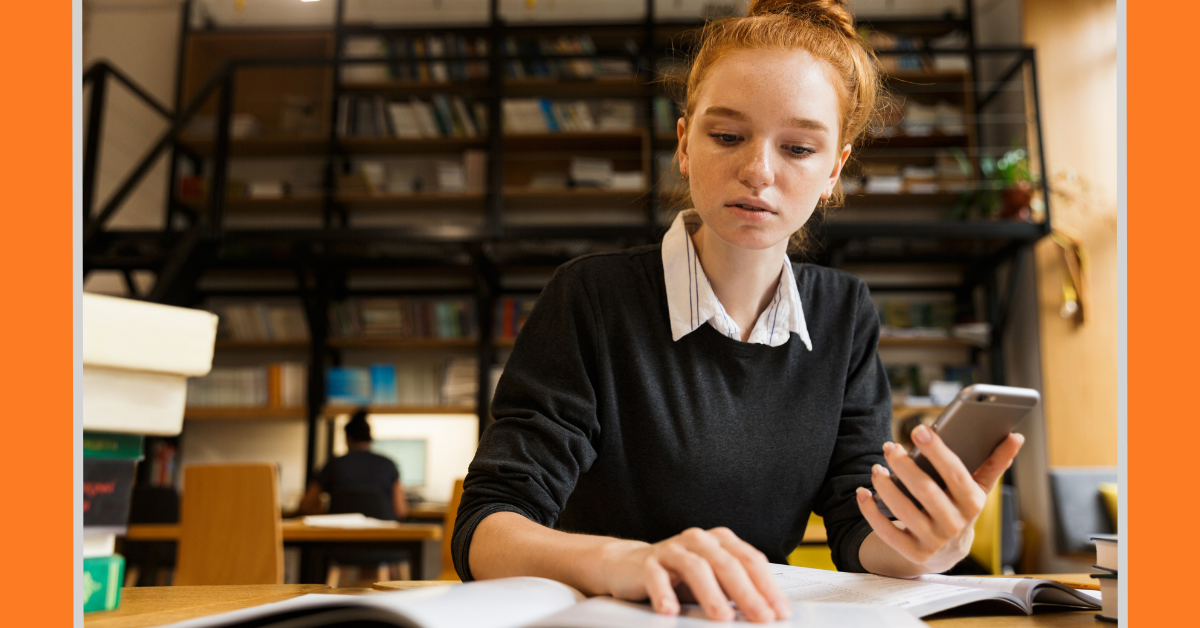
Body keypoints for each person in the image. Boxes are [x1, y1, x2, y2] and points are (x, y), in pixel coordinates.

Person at [452, 0, 1024, 623]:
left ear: (835, 169)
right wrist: (623, 563)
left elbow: (857, 535)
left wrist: (931, 544)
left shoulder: (843, 312)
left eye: (800, 148)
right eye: (726, 136)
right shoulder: (590, 297)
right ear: (684, 144)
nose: (757, 171)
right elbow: (487, 526)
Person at [299, 410, 409, 520]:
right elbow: (401, 511)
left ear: (347, 439)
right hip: (381, 535)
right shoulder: (388, 465)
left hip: (339, 535)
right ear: (370, 440)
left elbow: (307, 505)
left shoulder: (333, 464)